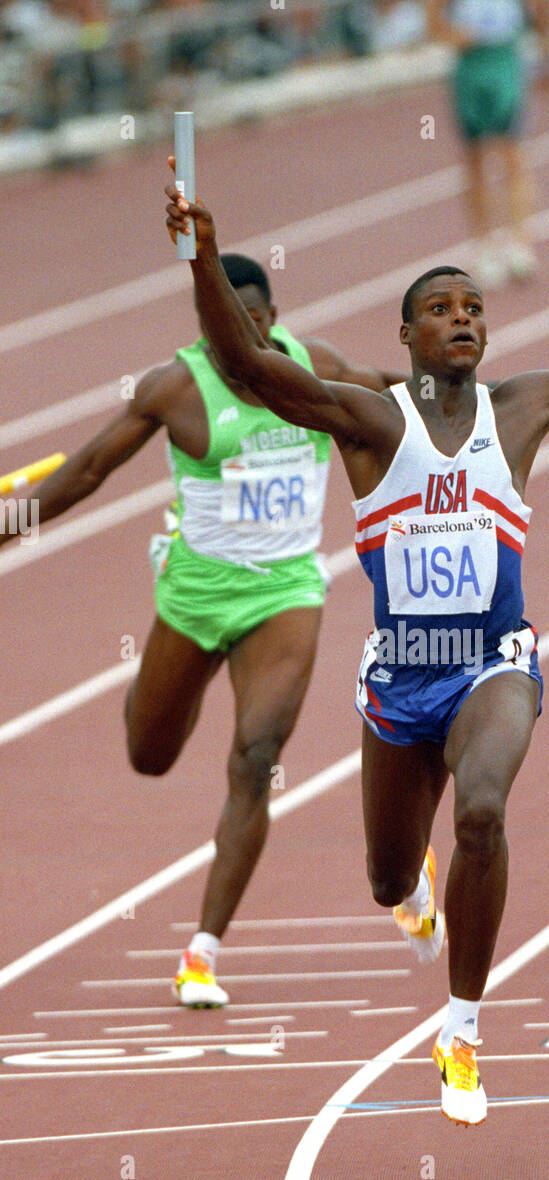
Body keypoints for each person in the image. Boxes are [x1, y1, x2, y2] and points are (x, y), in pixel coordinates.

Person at [165, 170, 549, 1124]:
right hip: (398, 684)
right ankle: (409, 882)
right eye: (440, 310)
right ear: (408, 337)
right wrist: (205, 257)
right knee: (386, 879)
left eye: (475, 309)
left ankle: (460, 1029)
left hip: (494, 662)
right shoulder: (373, 421)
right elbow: (251, 369)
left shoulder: (523, 409)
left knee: (485, 813)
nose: (463, 321)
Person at [0, 251, 401, 1008]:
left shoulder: (319, 371)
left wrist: (492, 409)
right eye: (224, 332)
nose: (239, 345)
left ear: (272, 321)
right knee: (149, 754)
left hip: (284, 592)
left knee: (255, 758)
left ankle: (202, 951)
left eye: (251, 326)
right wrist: (7, 527)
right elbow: (84, 471)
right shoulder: (177, 389)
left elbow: (404, 401)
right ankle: (160, 689)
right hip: (193, 596)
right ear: (207, 332)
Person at [426, 0, 549, 290]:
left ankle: (519, 243)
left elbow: (540, 9)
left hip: (505, 59)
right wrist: (451, 35)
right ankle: (484, 246)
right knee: (474, 159)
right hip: (470, 63)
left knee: (512, 153)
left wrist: (548, 54)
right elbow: (432, 20)